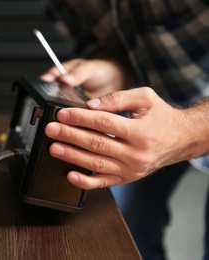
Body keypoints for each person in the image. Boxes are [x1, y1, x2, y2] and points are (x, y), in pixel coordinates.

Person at [39, 0, 209, 259]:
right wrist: (113, 68)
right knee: (123, 231)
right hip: (148, 114)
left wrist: (186, 130)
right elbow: (105, 41)